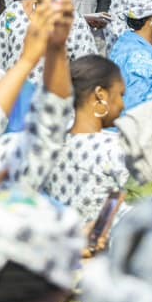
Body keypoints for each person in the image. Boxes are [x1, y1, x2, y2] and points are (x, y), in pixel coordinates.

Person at [42, 54, 128, 222]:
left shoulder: (53, 145)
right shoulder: (115, 147)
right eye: (121, 94)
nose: (123, 104)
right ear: (100, 95)